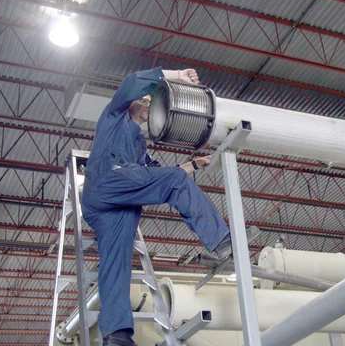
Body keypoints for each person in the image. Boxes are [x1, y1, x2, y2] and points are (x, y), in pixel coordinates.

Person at [81, 67, 250, 346]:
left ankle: (116, 335)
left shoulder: (139, 146)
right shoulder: (113, 116)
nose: (148, 106)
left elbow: (162, 176)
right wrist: (175, 76)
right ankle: (222, 242)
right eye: (145, 101)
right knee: (172, 181)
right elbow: (132, 81)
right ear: (133, 101)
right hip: (107, 182)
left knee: (115, 264)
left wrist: (194, 164)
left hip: (116, 207)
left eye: (150, 102)